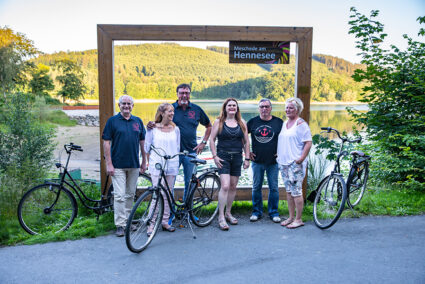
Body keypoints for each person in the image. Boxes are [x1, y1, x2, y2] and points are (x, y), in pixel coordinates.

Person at [102, 95, 147, 237]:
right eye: (124, 104)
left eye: (129, 104)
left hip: (134, 164)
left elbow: (143, 143)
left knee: (130, 194)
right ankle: (120, 225)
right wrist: (109, 163)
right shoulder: (112, 121)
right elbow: (106, 143)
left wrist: (144, 161)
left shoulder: (138, 121)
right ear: (119, 105)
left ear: (132, 106)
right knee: (120, 195)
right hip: (118, 165)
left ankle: (128, 222)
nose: (126, 106)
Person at [209, 98, 250, 231]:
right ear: (225, 108)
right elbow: (212, 139)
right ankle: (220, 216)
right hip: (223, 156)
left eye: (234, 105)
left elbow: (246, 142)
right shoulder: (219, 122)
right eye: (229, 105)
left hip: (237, 156)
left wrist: (247, 158)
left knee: (233, 186)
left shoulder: (241, 122)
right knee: (225, 186)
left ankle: (228, 213)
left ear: (237, 108)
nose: (232, 107)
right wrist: (215, 156)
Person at [172, 84, 212, 202]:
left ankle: (187, 211)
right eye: (181, 93)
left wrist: (203, 143)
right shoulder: (170, 108)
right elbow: (158, 123)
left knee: (189, 183)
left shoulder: (196, 109)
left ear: (189, 94)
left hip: (191, 152)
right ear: (177, 94)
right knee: (170, 183)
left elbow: (209, 126)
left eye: (187, 93)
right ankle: (170, 213)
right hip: (174, 153)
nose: (184, 95)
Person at [277, 97, 312, 229]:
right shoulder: (285, 123)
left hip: (295, 163)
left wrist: (302, 158)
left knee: (296, 192)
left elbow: (308, 142)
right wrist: (279, 153)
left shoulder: (301, 124)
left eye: (291, 108)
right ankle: (291, 217)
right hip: (284, 162)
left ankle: (298, 219)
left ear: (297, 110)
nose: (288, 110)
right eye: (286, 107)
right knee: (289, 191)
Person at [145, 103, 180, 233]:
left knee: (168, 194)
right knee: (156, 194)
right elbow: (146, 148)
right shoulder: (152, 128)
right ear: (162, 113)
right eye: (169, 111)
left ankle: (165, 221)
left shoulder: (175, 129)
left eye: (173, 111)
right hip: (157, 164)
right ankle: (151, 223)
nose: (172, 114)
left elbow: (177, 147)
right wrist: (148, 162)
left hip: (171, 164)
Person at [247, 98, 283, 223]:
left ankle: (274, 212)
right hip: (257, 161)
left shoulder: (279, 122)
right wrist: (246, 152)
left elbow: (285, 138)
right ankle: (257, 212)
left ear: (271, 108)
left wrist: (281, 152)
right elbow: (242, 138)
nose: (264, 109)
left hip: (273, 161)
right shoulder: (252, 122)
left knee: (274, 187)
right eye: (262, 107)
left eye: (267, 106)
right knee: (256, 187)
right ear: (259, 108)